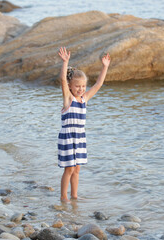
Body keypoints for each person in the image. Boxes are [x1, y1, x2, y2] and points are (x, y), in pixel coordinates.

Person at [57, 47, 111, 203]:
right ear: (71, 86)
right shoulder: (69, 99)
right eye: (77, 86)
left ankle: (74, 195)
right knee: (69, 169)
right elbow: (62, 80)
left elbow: (98, 85)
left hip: (80, 137)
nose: (80, 89)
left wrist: (105, 66)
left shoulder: (84, 99)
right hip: (67, 137)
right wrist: (65, 62)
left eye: (83, 86)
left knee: (77, 169)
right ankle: (63, 196)